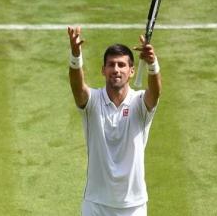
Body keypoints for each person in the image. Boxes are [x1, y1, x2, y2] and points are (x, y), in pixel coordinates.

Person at [67, 26, 162, 216]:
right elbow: (77, 88)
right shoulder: (92, 101)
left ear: (132, 71)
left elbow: (155, 93)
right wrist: (76, 55)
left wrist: (153, 64)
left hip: (133, 206)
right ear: (103, 70)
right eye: (111, 65)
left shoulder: (139, 103)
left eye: (121, 65)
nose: (116, 69)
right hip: (96, 204)